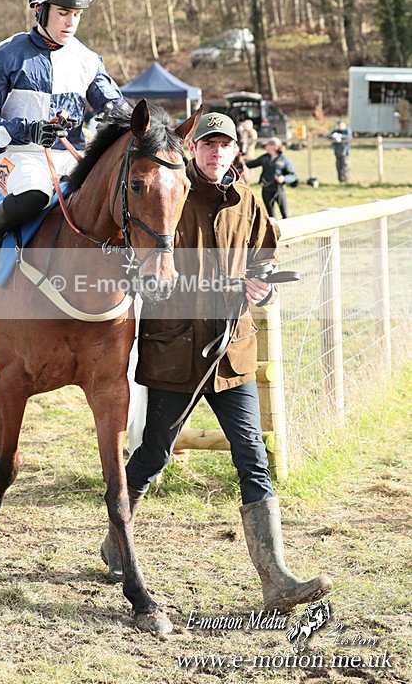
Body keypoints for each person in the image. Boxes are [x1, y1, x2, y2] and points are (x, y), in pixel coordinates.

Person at [101, 112, 332, 613]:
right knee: (154, 454)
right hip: (174, 353)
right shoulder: (169, 192)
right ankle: (116, 541)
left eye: (224, 145)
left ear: (234, 151)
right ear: (194, 149)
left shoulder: (248, 202)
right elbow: (141, 270)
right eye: (208, 144)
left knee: (252, 455)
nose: (215, 152)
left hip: (232, 353)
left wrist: (263, 285)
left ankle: (277, 579)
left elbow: (265, 259)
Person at [0, 0, 123, 295]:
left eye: (76, 14)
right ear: (39, 9)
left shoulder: (88, 59)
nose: (71, 22)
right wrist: (29, 131)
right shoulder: (7, 54)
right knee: (35, 195)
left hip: (72, 157)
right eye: (63, 12)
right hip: (20, 156)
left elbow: (113, 105)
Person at [245, 137, 297, 219]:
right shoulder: (265, 157)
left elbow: (293, 176)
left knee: (285, 214)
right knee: (271, 216)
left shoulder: (284, 160)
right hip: (266, 189)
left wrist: (284, 178)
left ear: (273, 146)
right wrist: (245, 159)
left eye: (267, 145)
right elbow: (251, 164)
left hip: (279, 190)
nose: (266, 146)